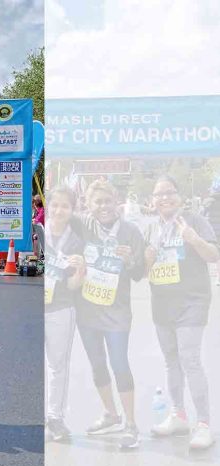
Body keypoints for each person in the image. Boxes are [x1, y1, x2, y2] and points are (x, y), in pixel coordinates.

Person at [144, 176, 218, 449]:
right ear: (152, 201)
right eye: (159, 194)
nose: (165, 198)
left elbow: (214, 255)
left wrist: (194, 239)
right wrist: (144, 259)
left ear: (179, 196)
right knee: (171, 361)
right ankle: (178, 415)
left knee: (190, 359)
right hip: (162, 303)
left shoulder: (195, 220)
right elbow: (142, 269)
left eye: (169, 192)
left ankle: (204, 425)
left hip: (192, 301)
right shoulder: (150, 228)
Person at [75, 179, 145, 449]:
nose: (103, 206)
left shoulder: (131, 231)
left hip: (117, 310)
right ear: (89, 205)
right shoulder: (83, 226)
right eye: (98, 202)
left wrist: (129, 261)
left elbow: (139, 274)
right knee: (97, 364)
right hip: (88, 309)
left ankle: (131, 424)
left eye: (107, 201)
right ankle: (111, 414)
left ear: (117, 202)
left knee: (119, 363)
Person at [43, 186, 86, 441]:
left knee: (58, 366)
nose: (59, 210)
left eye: (65, 206)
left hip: (61, 308)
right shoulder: (37, 233)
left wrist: (80, 272)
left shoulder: (76, 241)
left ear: (72, 210)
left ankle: (55, 417)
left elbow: (72, 286)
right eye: (55, 205)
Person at [204, 190, 220, 286]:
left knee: (208, 252)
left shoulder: (208, 201)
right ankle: (218, 277)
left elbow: (201, 214)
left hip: (210, 231)